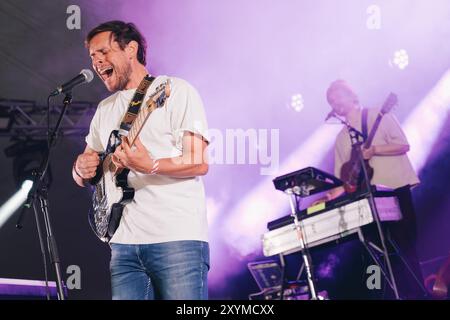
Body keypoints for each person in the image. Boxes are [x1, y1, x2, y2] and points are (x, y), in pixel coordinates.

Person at [72, 20, 210, 300]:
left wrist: (151, 165)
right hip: (123, 245)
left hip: (176, 239)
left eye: (104, 52)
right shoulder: (104, 109)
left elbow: (199, 162)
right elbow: (86, 170)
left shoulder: (174, 90)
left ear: (130, 49)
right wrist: (79, 169)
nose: (97, 62)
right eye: (93, 57)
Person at [321, 79, 425, 299]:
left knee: (405, 248)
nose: (335, 102)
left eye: (339, 95)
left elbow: (404, 145)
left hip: (394, 190)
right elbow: (345, 180)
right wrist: (331, 194)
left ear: (352, 95)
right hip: (367, 201)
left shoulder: (378, 114)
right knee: (379, 257)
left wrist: (375, 149)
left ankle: (417, 294)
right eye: (331, 100)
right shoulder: (340, 139)